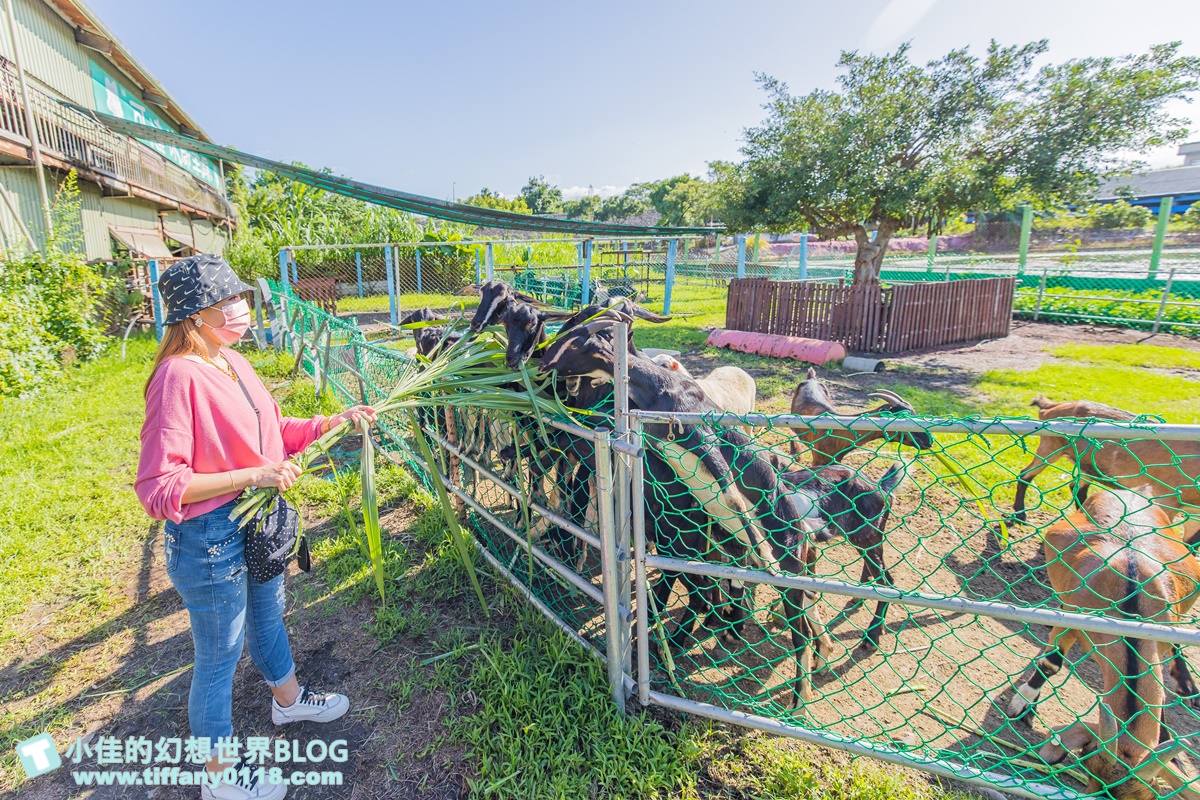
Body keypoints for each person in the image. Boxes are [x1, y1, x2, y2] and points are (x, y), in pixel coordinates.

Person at [135, 255, 376, 800]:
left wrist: (331, 423)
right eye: (229, 303)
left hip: (258, 521)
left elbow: (275, 429)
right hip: (210, 536)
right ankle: (219, 778)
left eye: (241, 298)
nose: (243, 309)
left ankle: (287, 703)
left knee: (269, 615)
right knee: (219, 657)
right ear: (195, 317)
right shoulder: (177, 377)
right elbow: (159, 487)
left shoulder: (232, 360)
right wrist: (254, 475)